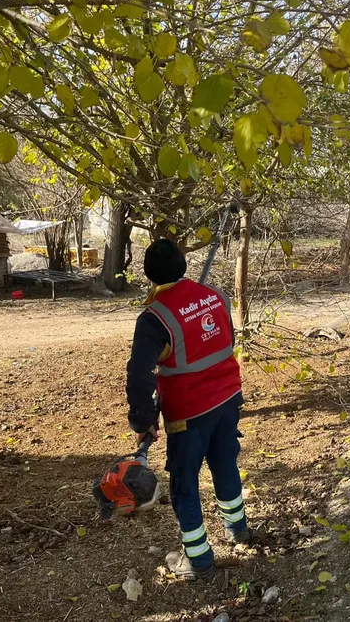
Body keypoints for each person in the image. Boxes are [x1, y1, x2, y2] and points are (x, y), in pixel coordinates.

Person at [125, 238, 247, 581]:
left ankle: (198, 560)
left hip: (189, 412)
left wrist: (142, 419)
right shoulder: (216, 296)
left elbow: (139, 373)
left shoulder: (153, 318)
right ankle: (238, 529)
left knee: (184, 482)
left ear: (149, 274)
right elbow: (225, 342)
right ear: (183, 265)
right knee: (225, 463)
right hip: (228, 398)